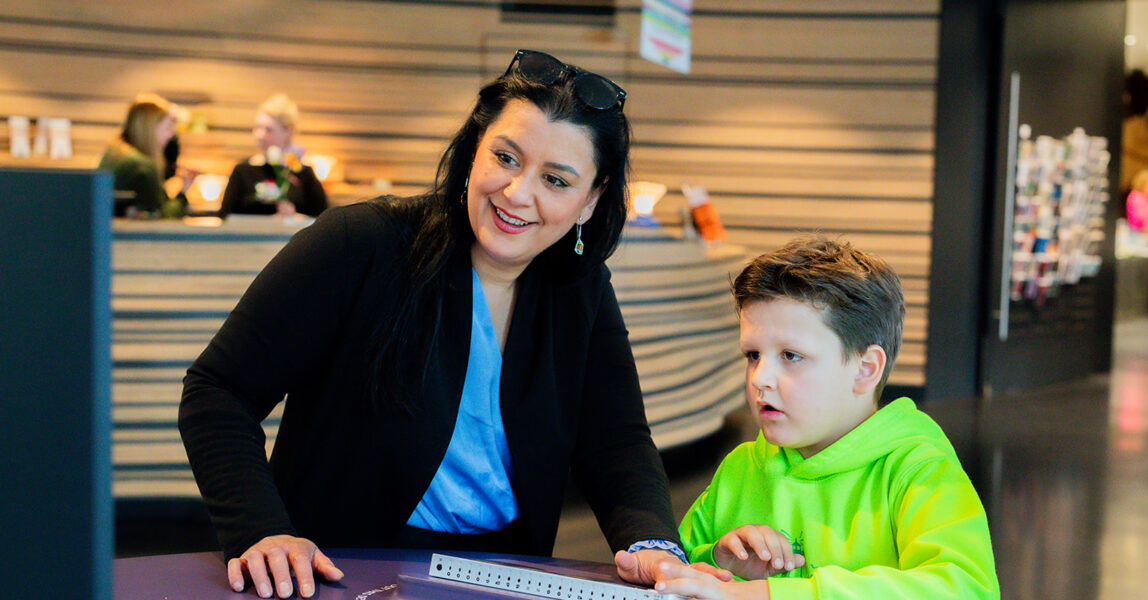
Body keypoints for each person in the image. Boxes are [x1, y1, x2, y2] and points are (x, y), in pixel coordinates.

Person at [179, 49, 719, 599]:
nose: (517, 193)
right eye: (506, 158)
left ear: (591, 200)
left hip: (502, 575)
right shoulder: (358, 245)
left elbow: (616, 438)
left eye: (556, 180)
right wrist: (262, 530)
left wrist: (656, 544)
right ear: (473, 152)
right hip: (337, 572)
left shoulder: (579, 286)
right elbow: (218, 392)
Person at [655, 236, 1001, 600]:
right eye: (753, 354)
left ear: (865, 369)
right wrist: (720, 560)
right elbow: (675, 568)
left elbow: (965, 589)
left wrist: (773, 595)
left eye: (791, 355)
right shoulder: (740, 469)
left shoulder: (918, 471)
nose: (760, 378)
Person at [219, 93, 328, 218]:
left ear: (288, 131)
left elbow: (322, 219)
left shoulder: (303, 174)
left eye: (268, 130)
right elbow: (225, 217)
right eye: (258, 128)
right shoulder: (242, 171)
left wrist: (295, 217)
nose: (260, 135)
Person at [98, 93, 193, 217]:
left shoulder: (114, 153)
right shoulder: (141, 166)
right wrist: (183, 193)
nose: (171, 135)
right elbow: (161, 219)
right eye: (168, 128)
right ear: (150, 128)